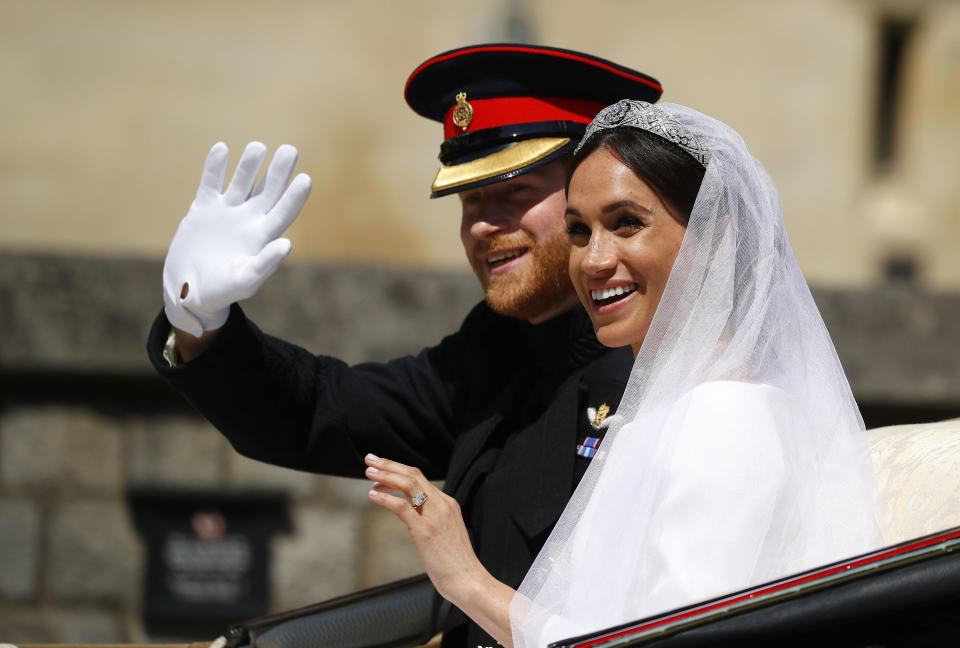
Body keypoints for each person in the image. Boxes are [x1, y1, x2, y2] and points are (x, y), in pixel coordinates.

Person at [146, 45, 663, 647]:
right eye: (469, 200)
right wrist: (200, 318)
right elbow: (322, 409)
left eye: (514, 193)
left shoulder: (664, 362)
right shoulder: (497, 347)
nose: (482, 225)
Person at [363, 99, 885, 647]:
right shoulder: (663, 408)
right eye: (580, 231)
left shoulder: (726, 416)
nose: (592, 260)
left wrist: (467, 581)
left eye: (627, 224)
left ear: (716, 238)